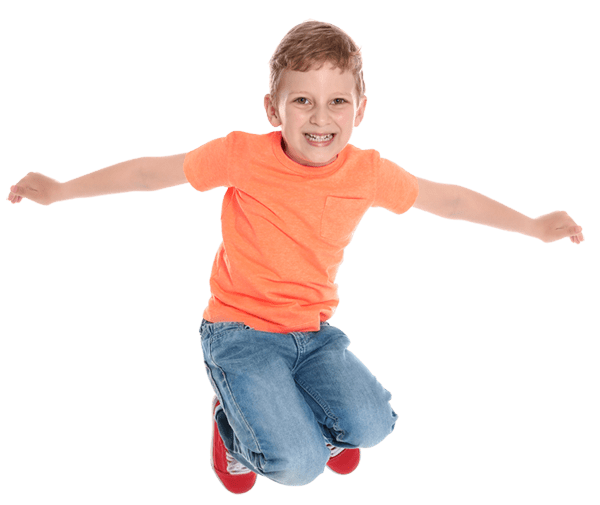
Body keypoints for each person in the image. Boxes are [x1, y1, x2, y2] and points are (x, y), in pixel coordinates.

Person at [6, 18, 585, 496]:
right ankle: (233, 431)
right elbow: (149, 172)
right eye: (302, 100)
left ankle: (295, 417)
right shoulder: (242, 155)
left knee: (373, 425)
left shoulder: (368, 173)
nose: (320, 118)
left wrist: (532, 225)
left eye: (337, 101)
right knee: (299, 467)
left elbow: (450, 200)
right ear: (273, 108)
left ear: (360, 108)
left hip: (312, 334)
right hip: (238, 332)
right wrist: (62, 189)